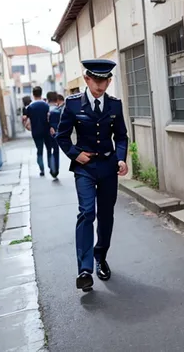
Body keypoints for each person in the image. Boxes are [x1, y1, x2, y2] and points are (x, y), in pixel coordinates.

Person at [55, 59, 129, 292]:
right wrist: (76, 155)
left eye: (105, 80)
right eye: (97, 80)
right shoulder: (73, 104)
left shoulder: (115, 105)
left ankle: (101, 257)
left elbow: (122, 136)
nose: (101, 85)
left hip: (108, 167)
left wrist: (120, 158)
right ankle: (84, 269)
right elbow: (62, 136)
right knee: (87, 212)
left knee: (106, 215)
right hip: (85, 168)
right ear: (87, 79)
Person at [24, 87, 55, 178]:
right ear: (41, 94)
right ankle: (51, 167)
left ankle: (42, 170)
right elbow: (49, 117)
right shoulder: (46, 105)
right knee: (49, 149)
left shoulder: (30, 107)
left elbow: (27, 120)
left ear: (33, 94)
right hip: (46, 130)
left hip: (36, 131)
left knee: (39, 151)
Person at [46, 92, 65, 179]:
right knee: (56, 150)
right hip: (56, 132)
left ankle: (51, 166)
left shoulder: (45, 109)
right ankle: (55, 169)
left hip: (46, 132)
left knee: (49, 150)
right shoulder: (58, 110)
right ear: (56, 100)